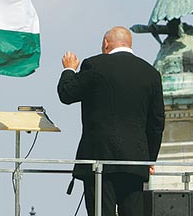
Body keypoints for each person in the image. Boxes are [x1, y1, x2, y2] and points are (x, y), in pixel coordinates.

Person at [57, 26, 165, 216]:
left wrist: (68, 69)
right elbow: (156, 122)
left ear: (106, 44)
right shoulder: (151, 73)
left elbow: (67, 94)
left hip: (100, 160)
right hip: (135, 162)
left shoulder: (95, 65)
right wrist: (149, 158)